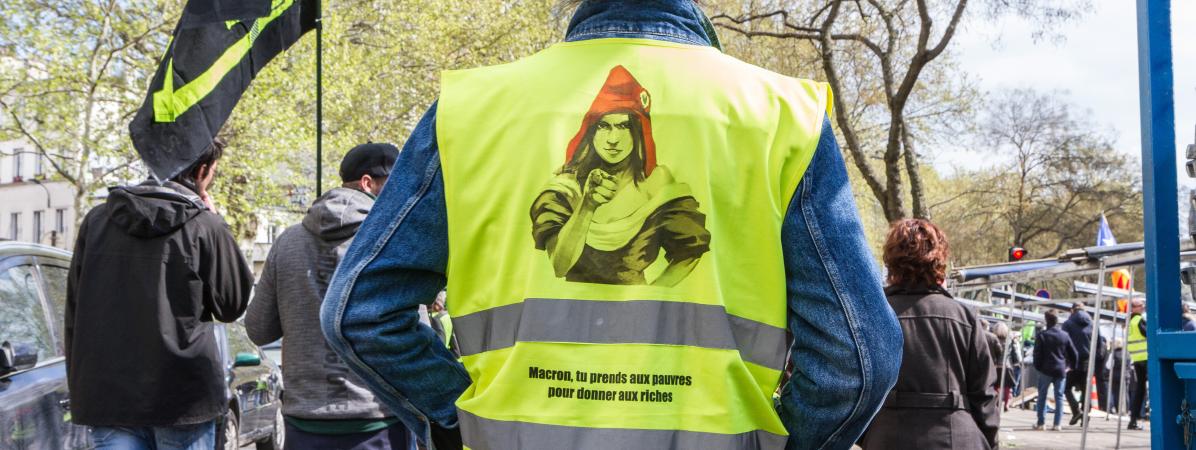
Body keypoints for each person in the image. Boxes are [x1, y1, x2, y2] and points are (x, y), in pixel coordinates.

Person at [318, 1, 904, 448]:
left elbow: (358, 313)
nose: (615, 137)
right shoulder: (779, 116)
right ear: (592, 135)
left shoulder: (471, 110)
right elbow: (858, 357)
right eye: (605, 127)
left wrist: (459, 421)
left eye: (626, 127)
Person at [65, 139, 254, 450]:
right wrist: (217, 225)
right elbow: (232, 304)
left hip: (108, 396)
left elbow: (74, 308)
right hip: (183, 397)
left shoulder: (97, 221)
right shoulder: (204, 225)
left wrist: (81, 388)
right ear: (202, 171)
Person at [245, 143, 416, 449]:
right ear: (367, 183)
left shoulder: (287, 242)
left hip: (304, 423)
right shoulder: (390, 240)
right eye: (396, 183)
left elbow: (258, 329)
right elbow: (413, 335)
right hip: (377, 422)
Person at [860, 219, 998, 450]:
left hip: (888, 436)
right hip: (956, 436)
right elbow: (984, 395)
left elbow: (856, 387)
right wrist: (989, 442)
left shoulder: (873, 316)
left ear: (892, 261)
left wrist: (870, 434)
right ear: (939, 259)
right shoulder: (964, 317)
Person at [1033, 309, 1078, 431]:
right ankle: (1057, 424)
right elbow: (1074, 354)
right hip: (1060, 369)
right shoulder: (1065, 335)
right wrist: (1071, 367)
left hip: (1045, 370)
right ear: (1057, 320)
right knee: (1059, 397)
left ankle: (1041, 423)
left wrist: (1038, 367)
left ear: (1046, 320)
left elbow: (1037, 354)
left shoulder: (1042, 335)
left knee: (1042, 396)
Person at [1127, 298, 1149, 430]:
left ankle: (1133, 419)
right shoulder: (1139, 321)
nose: (1142, 308)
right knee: (1151, 387)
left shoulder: (1130, 322)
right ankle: (1143, 415)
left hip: (1137, 359)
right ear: (1134, 308)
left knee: (1139, 390)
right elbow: (1148, 335)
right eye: (1140, 306)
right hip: (1146, 358)